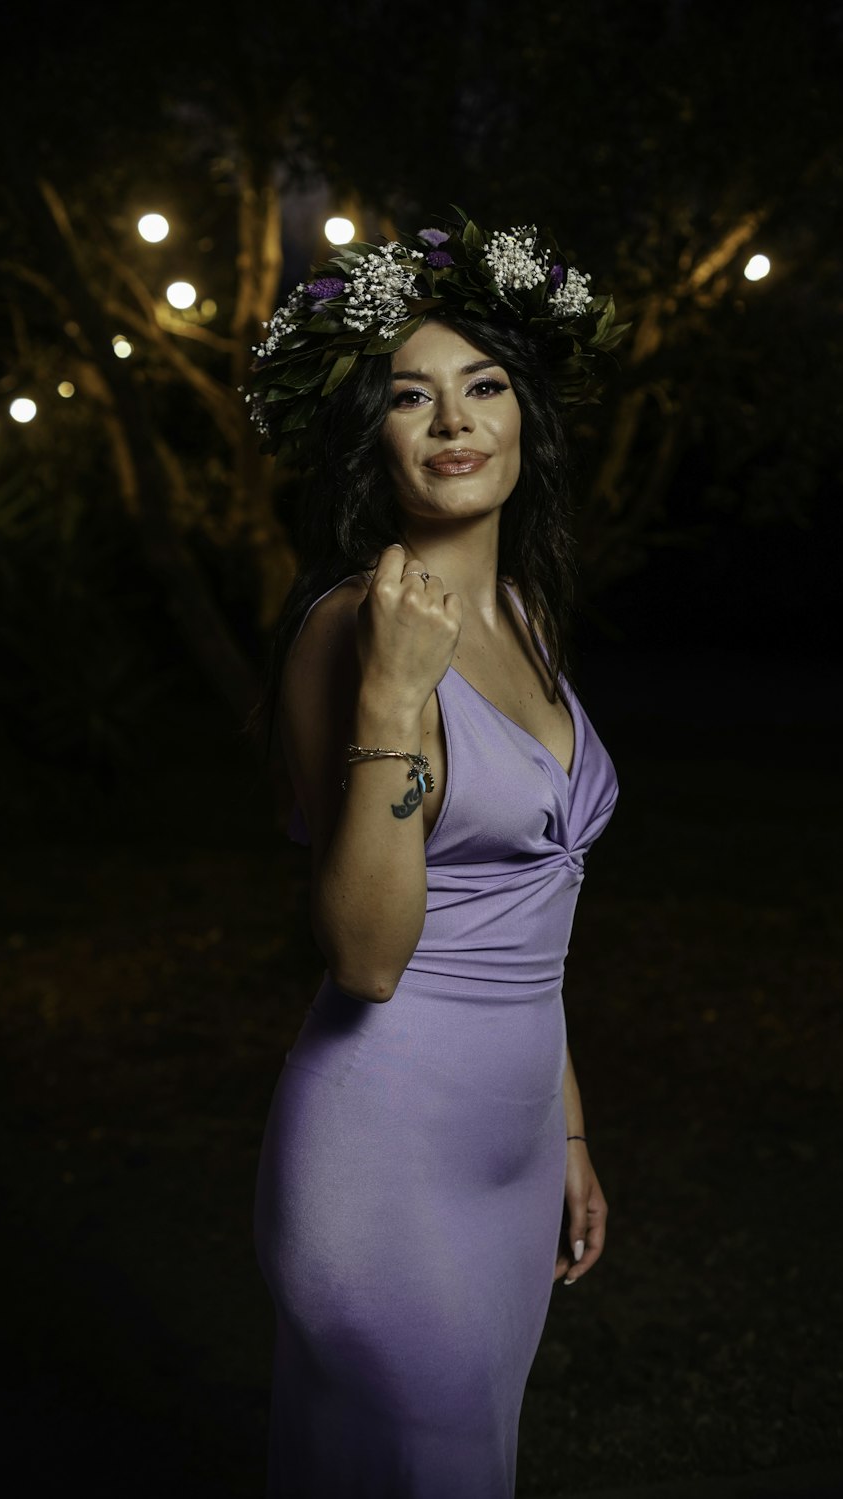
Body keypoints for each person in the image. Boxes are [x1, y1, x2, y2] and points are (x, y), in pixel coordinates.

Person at [246, 213, 625, 1498]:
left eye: (485, 386)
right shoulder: (349, 630)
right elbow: (363, 956)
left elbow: (532, 910)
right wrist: (388, 702)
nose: (455, 422)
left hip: (514, 1146)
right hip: (384, 1149)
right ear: (376, 435)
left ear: (526, 419)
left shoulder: (526, 611)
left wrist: (565, 1131)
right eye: (414, 396)